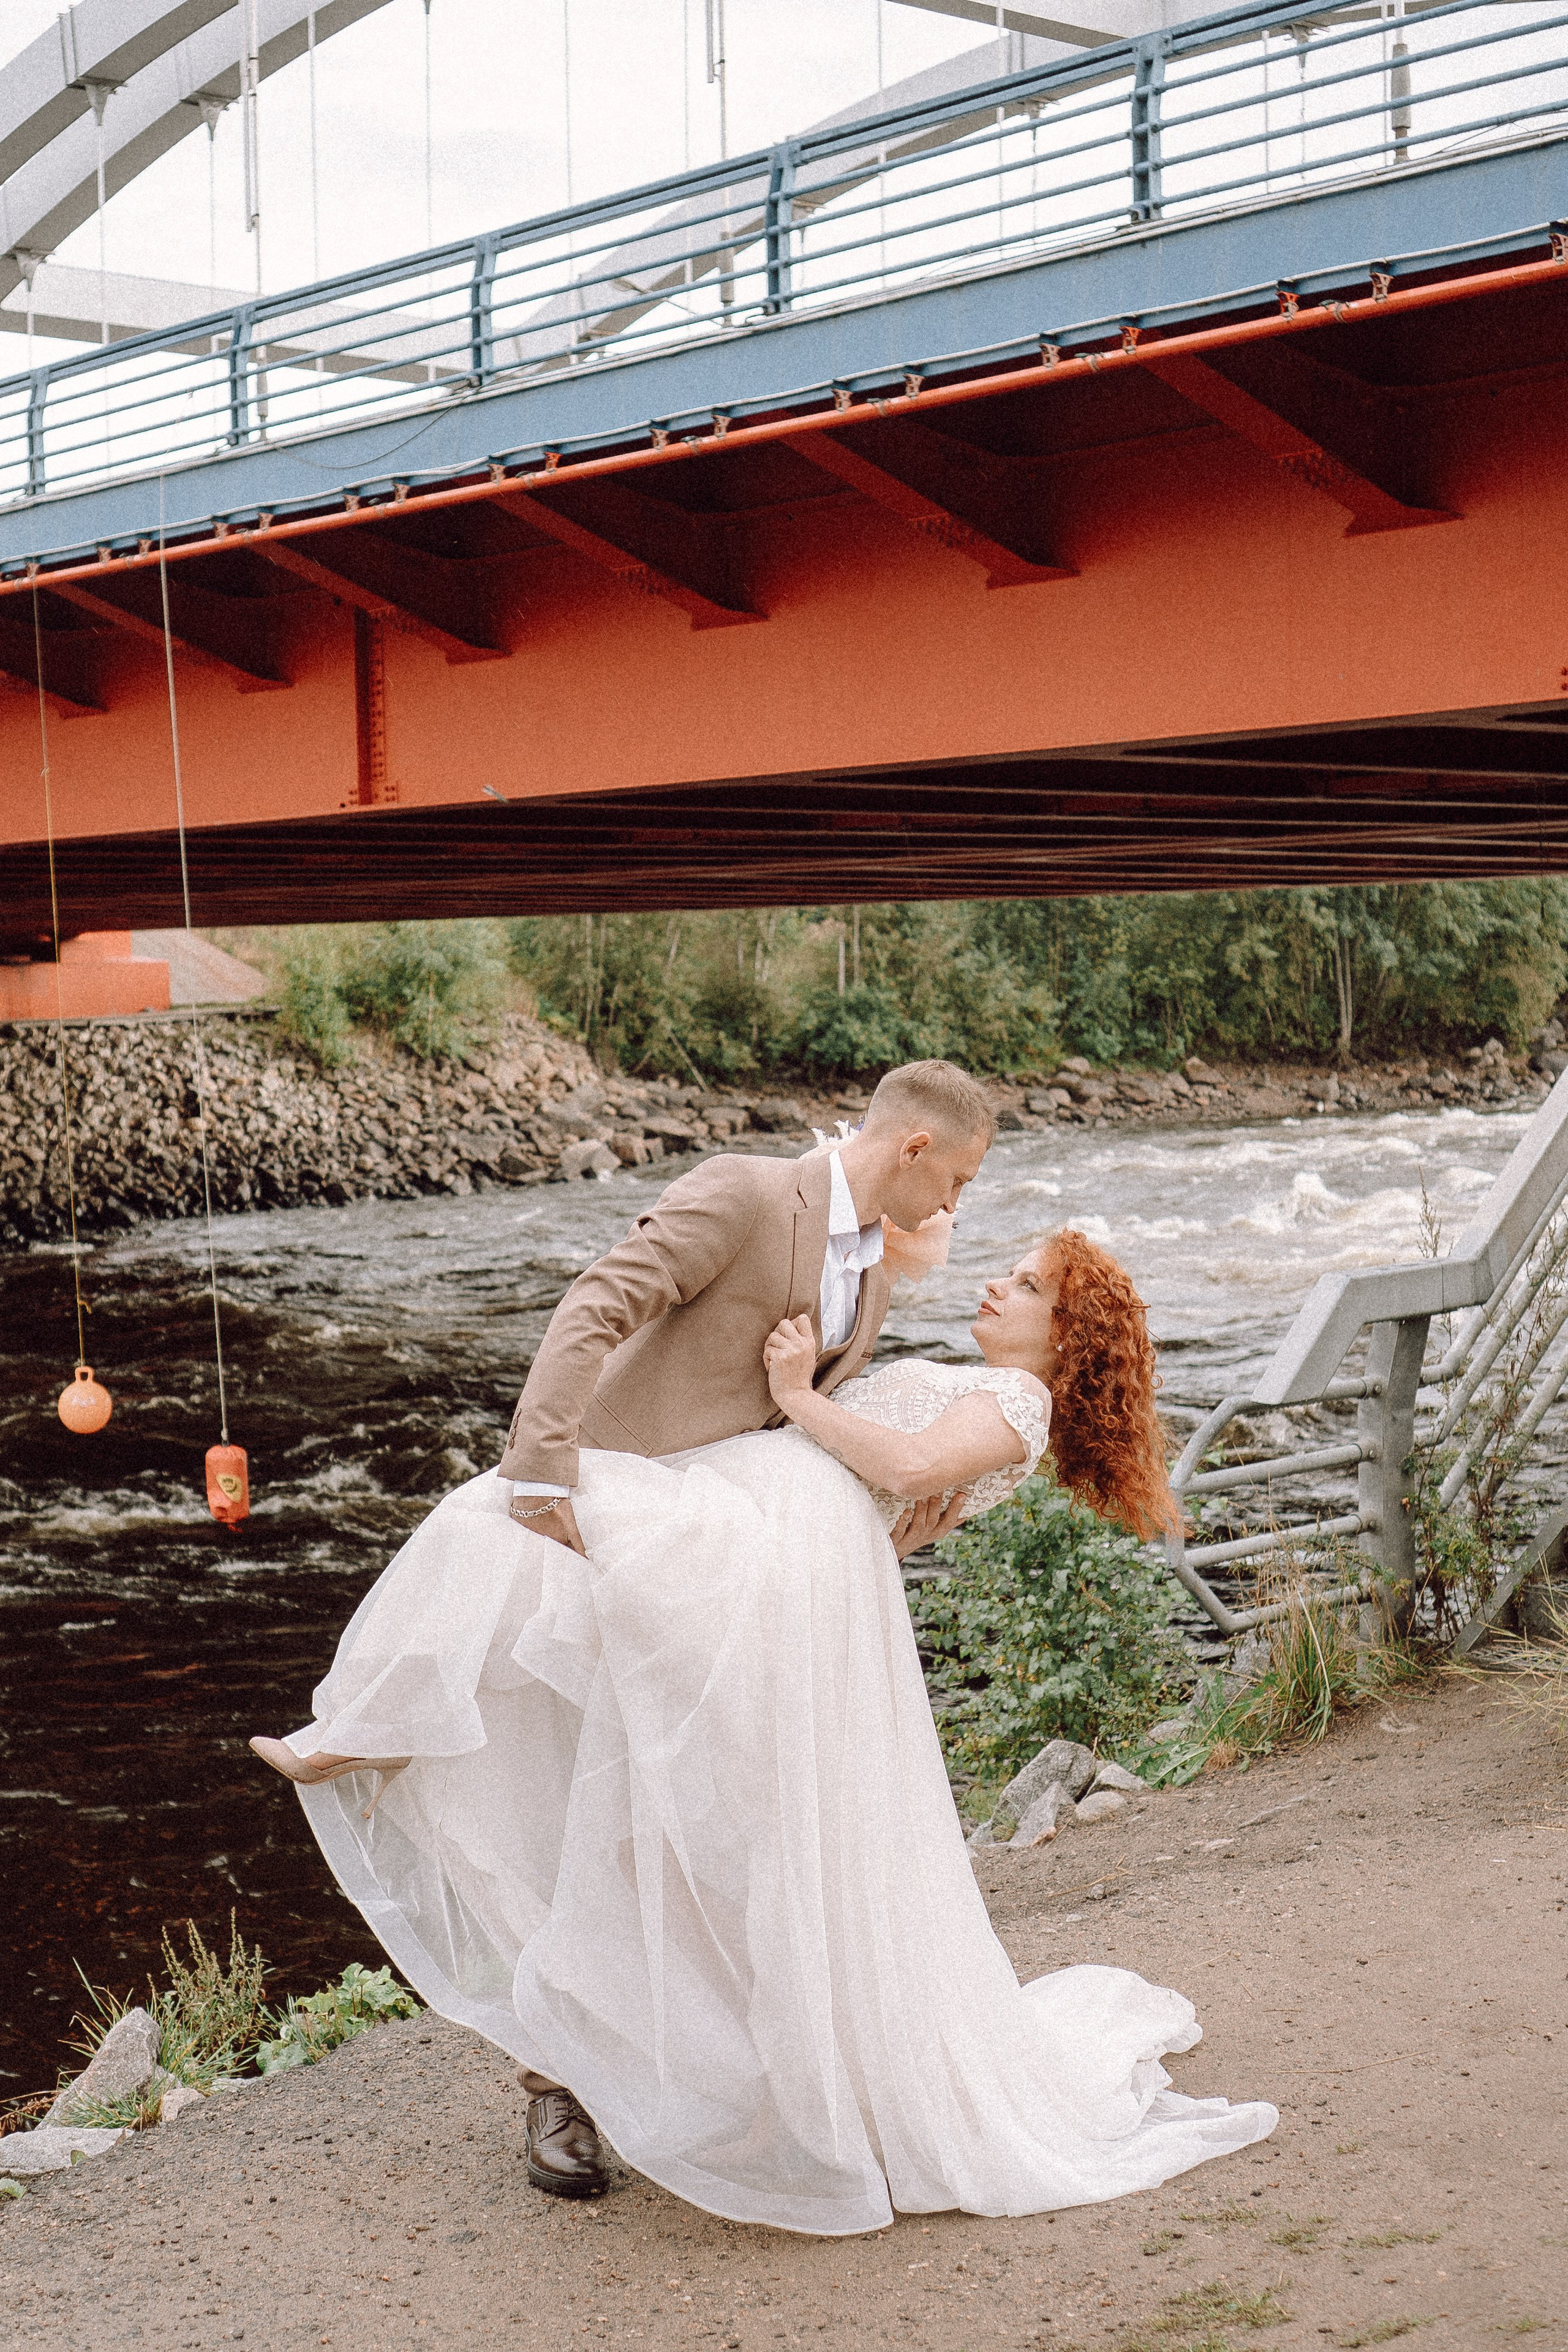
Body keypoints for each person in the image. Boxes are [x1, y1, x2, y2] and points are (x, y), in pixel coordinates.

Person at [252, 1118, 1277, 2233]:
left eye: (1025, 1283)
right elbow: (901, 1507)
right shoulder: (878, 1287)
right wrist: (870, 1200)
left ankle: (380, 1722)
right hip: (775, 1542)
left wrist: (797, 1394)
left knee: (513, 1522)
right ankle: (404, 1738)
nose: (994, 1280)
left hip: (772, 1543)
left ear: (1062, 1333)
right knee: (584, 1651)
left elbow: (911, 1469)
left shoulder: (1017, 1406)